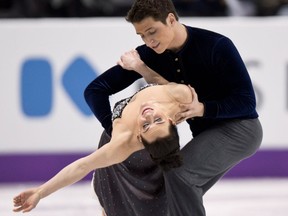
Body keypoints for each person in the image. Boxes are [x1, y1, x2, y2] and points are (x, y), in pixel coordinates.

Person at [84, 0, 263, 216]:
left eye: (152, 32)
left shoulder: (216, 45)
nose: (149, 41)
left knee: (179, 174)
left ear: (170, 19)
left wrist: (203, 109)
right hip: (206, 135)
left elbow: (246, 103)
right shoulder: (149, 54)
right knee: (167, 194)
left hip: (240, 129)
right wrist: (114, 131)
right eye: (142, 36)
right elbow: (95, 90)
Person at [13, 82, 195, 213]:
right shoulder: (180, 101)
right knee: (113, 204)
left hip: (154, 160)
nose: (149, 115)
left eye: (146, 125)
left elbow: (82, 166)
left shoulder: (122, 143)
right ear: (171, 121)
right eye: (157, 120)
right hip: (137, 160)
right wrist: (139, 66)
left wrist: (40, 192)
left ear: (139, 135)